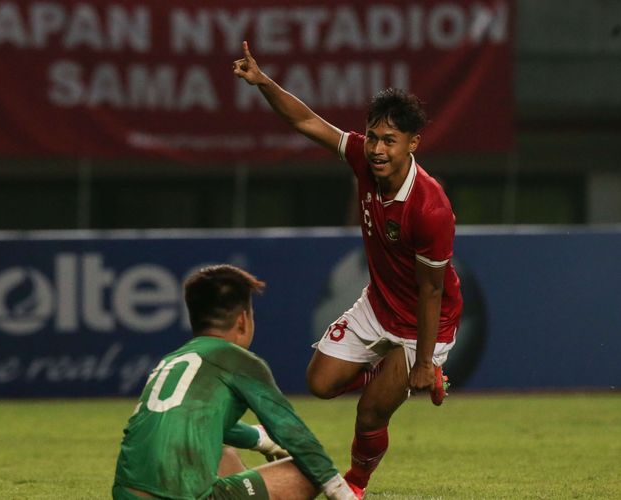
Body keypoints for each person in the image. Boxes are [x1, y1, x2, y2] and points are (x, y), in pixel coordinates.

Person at [232, 42, 463, 498]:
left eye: (389, 141)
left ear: (413, 143)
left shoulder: (430, 208)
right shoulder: (362, 157)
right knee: (319, 383)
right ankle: (389, 373)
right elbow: (306, 121)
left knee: (372, 412)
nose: (376, 149)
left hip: (424, 321)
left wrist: (421, 362)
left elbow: (431, 289)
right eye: (373, 137)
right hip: (378, 305)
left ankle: (355, 484)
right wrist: (263, 83)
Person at [111, 264, 356, 500]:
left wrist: (259, 440)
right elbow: (290, 430)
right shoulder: (239, 361)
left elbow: (199, 421)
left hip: (126, 493)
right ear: (242, 320)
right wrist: (339, 489)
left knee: (221, 449)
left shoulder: (172, 360)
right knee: (307, 472)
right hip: (182, 496)